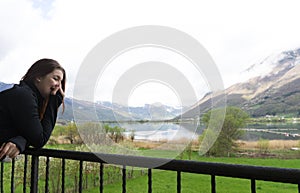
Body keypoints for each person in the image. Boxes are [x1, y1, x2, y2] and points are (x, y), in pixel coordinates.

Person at [0, 58, 66, 161]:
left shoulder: (26, 95)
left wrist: (21, 141)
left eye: (60, 82)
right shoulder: (24, 96)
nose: (58, 86)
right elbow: (39, 139)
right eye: (55, 78)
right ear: (38, 77)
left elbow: (31, 133)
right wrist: (54, 101)